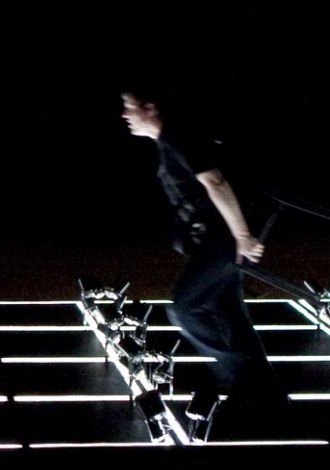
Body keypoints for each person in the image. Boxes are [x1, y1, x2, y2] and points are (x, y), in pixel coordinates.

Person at [120, 83, 288, 428]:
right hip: (215, 240)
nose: (125, 115)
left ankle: (243, 380)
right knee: (231, 316)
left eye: (130, 107)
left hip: (222, 239)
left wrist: (242, 236)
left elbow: (216, 182)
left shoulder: (179, 137)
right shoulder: (167, 142)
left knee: (186, 307)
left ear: (150, 108)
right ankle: (268, 396)